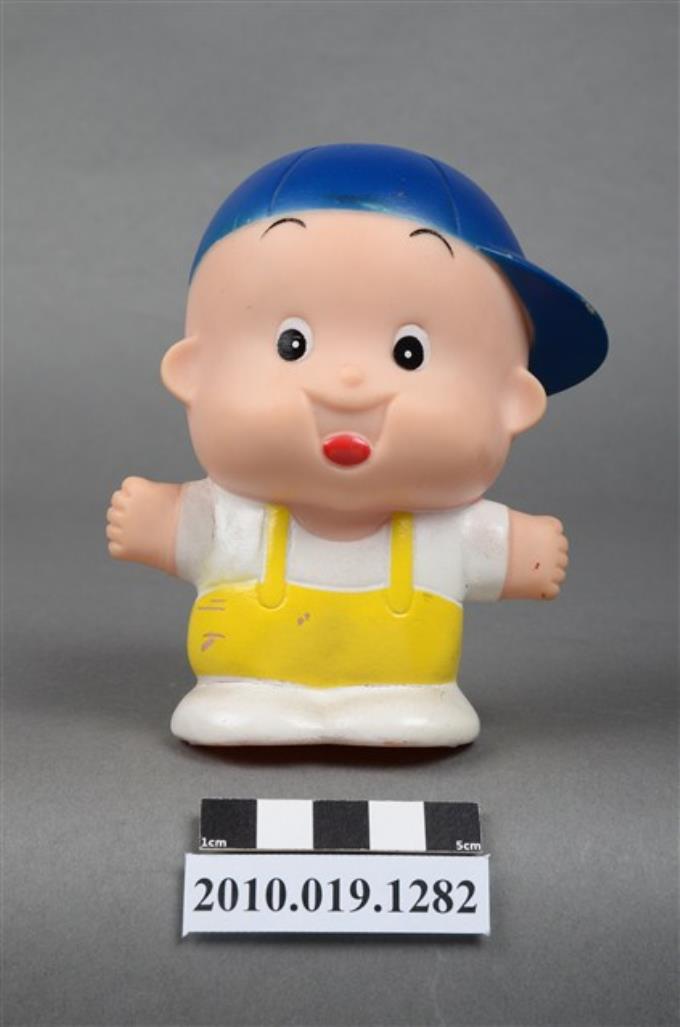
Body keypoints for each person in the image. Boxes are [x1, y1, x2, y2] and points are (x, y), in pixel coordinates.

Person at [106, 144, 607, 747]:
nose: (349, 384)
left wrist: (530, 554)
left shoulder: (448, 531)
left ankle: (406, 701)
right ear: (192, 372)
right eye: (293, 346)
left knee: (406, 711)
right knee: (244, 705)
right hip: (244, 687)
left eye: (408, 354)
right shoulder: (229, 518)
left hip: (411, 694)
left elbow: (507, 553)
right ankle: (247, 693)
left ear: (513, 401)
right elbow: (181, 528)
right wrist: (154, 520)